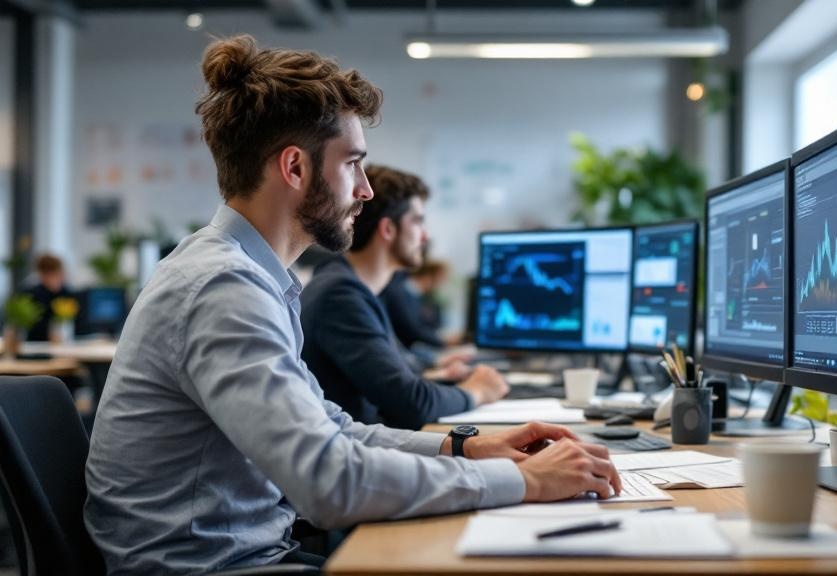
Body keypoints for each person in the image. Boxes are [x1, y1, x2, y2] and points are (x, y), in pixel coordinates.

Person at [84, 35, 620, 576]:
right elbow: (330, 483)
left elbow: (335, 430)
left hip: (245, 555)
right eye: (353, 165)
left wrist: (467, 448)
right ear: (295, 168)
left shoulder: (248, 276)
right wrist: (524, 480)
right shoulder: (223, 287)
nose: (365, 191)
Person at [300, 165, 506, 429]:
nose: (425, 236)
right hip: (359, 447)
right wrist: (476, 391)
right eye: (418, 221)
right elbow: (411, 403)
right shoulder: (340, 296)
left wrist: (441, 377)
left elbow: (396, 379)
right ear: (388, 229)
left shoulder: (355, 289)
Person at [23, 253, 73, 341]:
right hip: (36, 343)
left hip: (63, 342)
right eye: (53, 275)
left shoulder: (67, 292)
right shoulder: (32, 294)